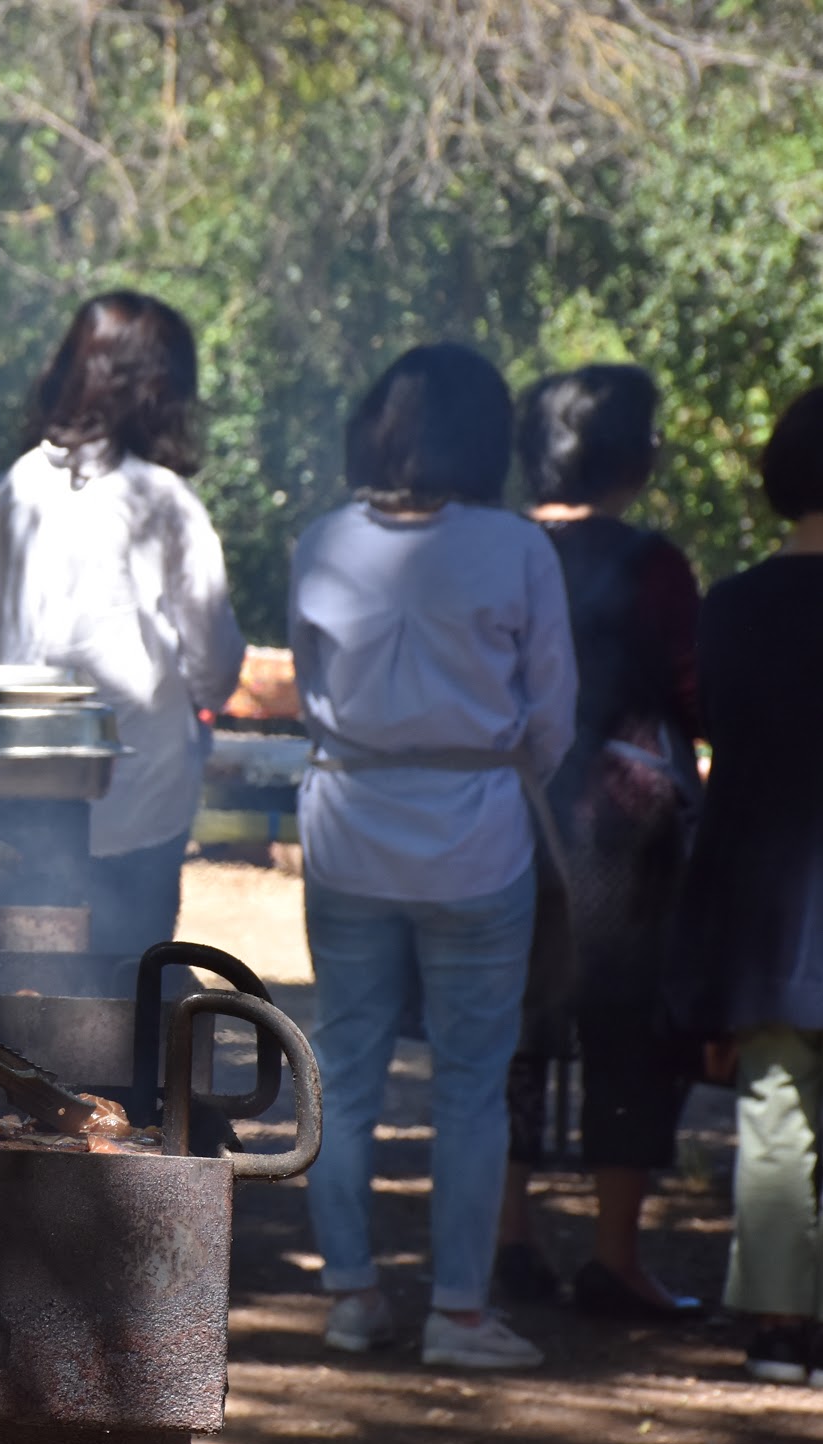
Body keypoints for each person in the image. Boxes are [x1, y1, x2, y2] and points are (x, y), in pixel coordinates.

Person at [289, 342, 575, 1371]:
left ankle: (352, 1296)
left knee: (347, 1072)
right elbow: (553, 716)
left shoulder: (323, 540)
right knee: (470, 1080)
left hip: (350, 828)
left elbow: (313, 694)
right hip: (477, 840)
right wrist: (485, 769)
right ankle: (459, 1313)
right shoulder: (516, 547)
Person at [492, 365, 703, 1319]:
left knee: (510, 1031)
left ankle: (508, 1239)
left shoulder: (495, 546)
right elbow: (693, 692)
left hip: (506, 816)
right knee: (628, 1035)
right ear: (631, 454)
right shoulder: (655, 564)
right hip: (622, 833)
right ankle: (614, 1260)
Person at [0, 290, 244, 955]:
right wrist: (200, 702)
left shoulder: (4, 493)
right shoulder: (165, 501)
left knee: (38, 987)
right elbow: (212, 660)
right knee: (131, 981)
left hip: (27, 790)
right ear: (158, 391)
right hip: (144, 791)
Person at [666, 386, 823, 1384]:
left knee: (775, 1108)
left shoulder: (732, 606)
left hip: (772, 903)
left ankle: (777, 1326)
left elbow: (721, 734)